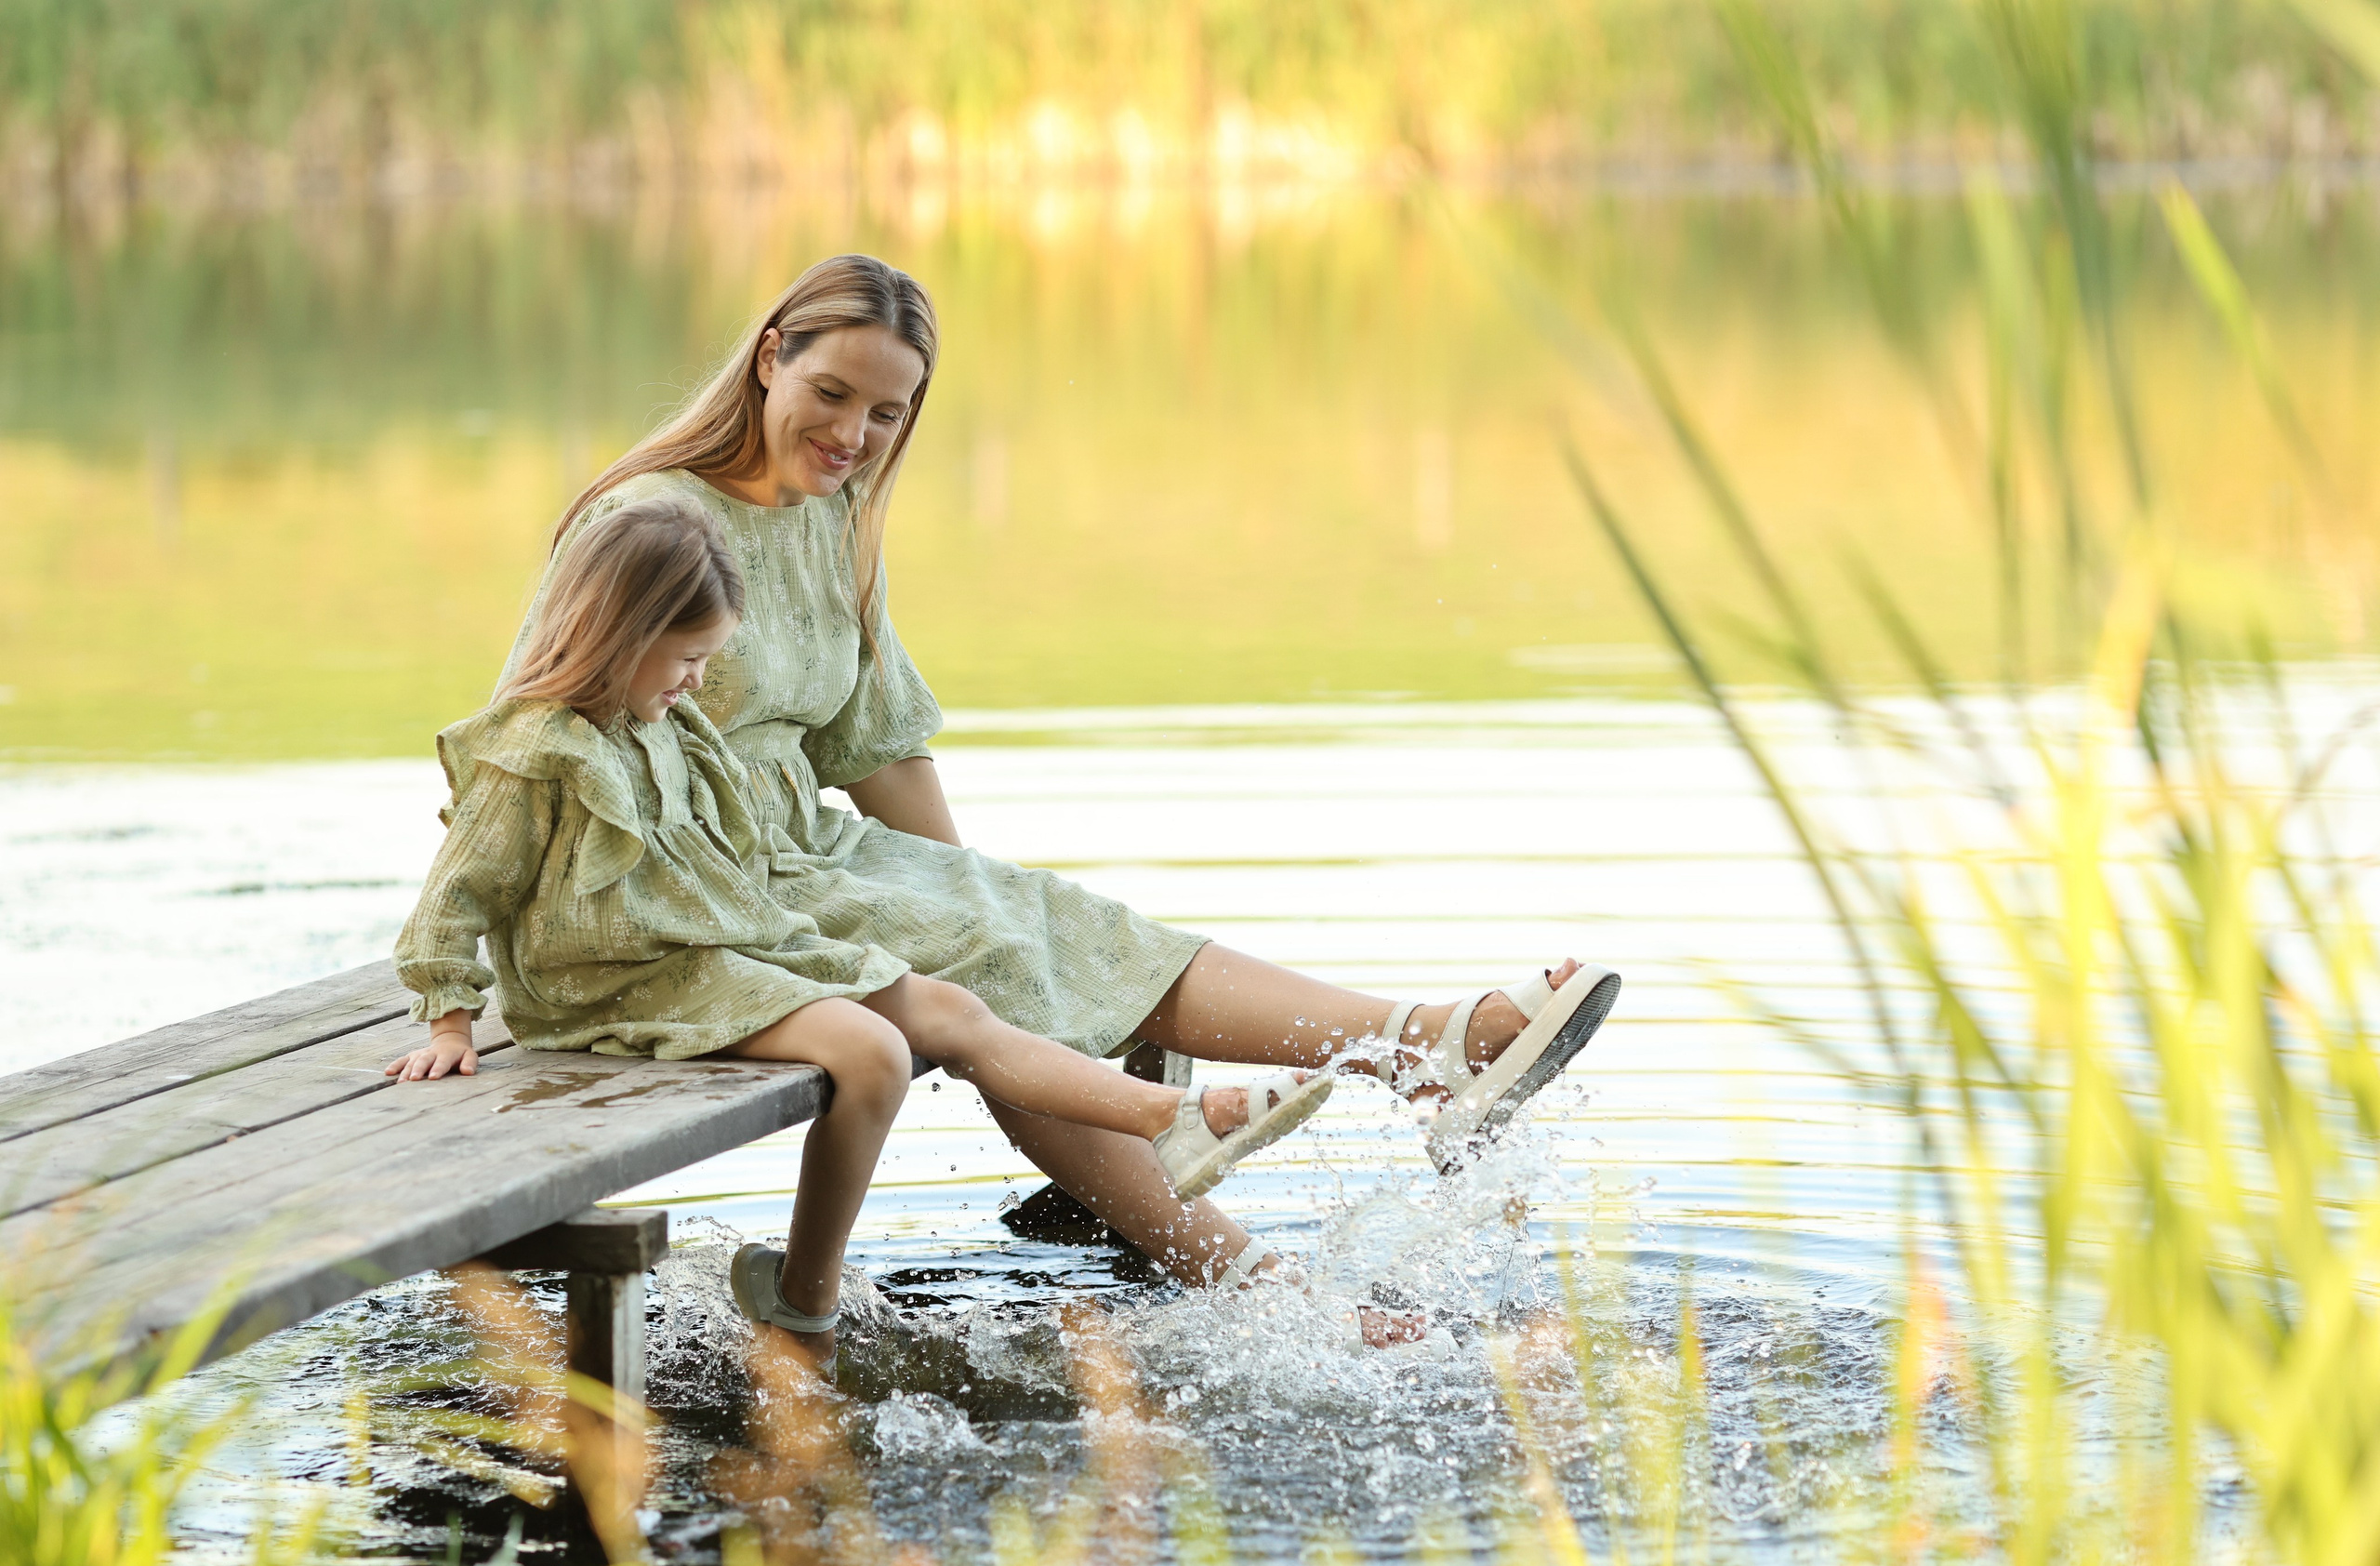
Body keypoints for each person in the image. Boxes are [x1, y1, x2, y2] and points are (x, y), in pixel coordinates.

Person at [512, 253, 1620, 1341]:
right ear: (768, 361)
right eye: (831, 394)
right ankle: (1300, 1244)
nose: (852, 435)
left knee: (1039, 925)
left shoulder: (835, 518)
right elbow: (535, 729)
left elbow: (874, 743)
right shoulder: (647, 522)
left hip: (795, 850)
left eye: (888, 414)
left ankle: (1414, 1049)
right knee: (995, 950)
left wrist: (973, 893)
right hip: (673, 877)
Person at [387, 496, 1332, 1374]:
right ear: (616, 636)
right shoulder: (531, 752)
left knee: (953, 1008)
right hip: (611, 983)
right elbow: (454, 896)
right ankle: (813, 1303)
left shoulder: (661, 728)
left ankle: (1160, 1123)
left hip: (706, 948)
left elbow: (733, 853)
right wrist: (449, 1021)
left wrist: (819, 919)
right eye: (684, 660)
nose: (698, 680)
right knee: (874, 1051)